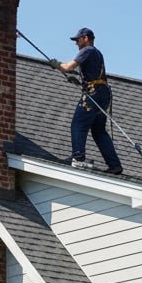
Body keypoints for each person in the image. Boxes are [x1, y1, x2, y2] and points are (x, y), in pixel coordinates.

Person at [53, 27, 123, 174]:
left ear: (85, 38)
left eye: (78, 40)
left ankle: (78, 157)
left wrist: (58, 65)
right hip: (103, 93)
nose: (76, 44)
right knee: (98, 131)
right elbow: (89, 74)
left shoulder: (87, 51)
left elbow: (68, 66)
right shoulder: (97, 53)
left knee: (78, 124)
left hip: (94, 93)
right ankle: (115, 165)